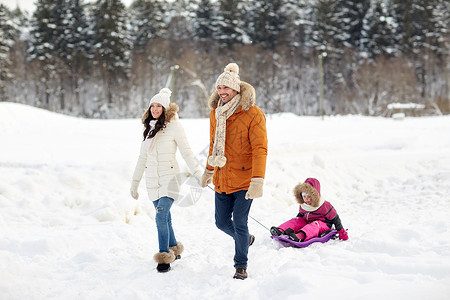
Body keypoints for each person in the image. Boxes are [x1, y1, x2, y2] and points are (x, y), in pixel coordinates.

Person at [200, 63, 268, 280]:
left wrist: (257, 180)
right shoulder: (216, 112)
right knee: (221, 222)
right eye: (219, 88)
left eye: (226, 88)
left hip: (245, 179)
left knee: (240, 222)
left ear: (236, 89)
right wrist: (209, 170)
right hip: (222, 177)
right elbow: (213, 143)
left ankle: (241, 265)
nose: (222, 92)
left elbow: (260, 149)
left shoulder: (253, 113)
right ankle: (245, 239)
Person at [130, 88, 203, 273]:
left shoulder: (175, 127)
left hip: (170, 180)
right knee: (166, 218)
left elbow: (187, 152)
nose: (155, 109)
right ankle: (174, 247)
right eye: (152, 106)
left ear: (165, 108)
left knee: (161, 215)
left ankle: (164, 257)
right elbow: (142, 159)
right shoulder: (149, 130)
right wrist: (135, 183)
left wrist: (198, 173)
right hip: (152, 182)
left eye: (159, 106)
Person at [270, 178, 349, 242]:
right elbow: (301, 215)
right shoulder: (304, 205)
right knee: (297, 220)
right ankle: (280, 230)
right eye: (304, 197)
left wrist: (341, 232)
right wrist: (296, 223)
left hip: (322, 225)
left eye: (309, 197)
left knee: (314, 225)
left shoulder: (325, 205)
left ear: (315, 196)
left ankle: (300, 236)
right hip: (307, 223)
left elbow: (335, 218)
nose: (306, 199)